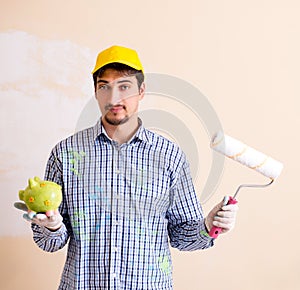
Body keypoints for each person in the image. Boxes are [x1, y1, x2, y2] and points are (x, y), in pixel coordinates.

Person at [16, 45, 238, 289]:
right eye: (105, 87)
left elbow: (182, 235)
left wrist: (209, 225)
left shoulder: (169, 156)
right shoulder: (65, 155)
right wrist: (54, 226)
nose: (113, 99)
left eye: (124, 86)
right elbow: (49, 242)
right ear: (95, 92)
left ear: (141, 91)